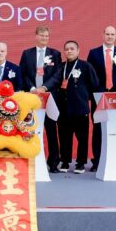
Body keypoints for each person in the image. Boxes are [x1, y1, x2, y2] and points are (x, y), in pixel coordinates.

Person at [86, 26, 116, 172]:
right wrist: (100, 92)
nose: (110, 36)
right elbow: (90, 75)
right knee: (98, 128)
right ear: (103, 35)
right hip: (99, 96)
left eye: (112, 34)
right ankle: (97, 161)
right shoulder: (94, 53)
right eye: (107, 34)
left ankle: (115, 159)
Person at [19, 26, 63, 173]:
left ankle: (53, 162)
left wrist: (44, 87)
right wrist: (32, 88)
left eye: (46, 36)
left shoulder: (55, 54)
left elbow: (58, 74)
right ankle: (27, 159)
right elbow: (23, 73)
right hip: (31, 97)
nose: (44, 38)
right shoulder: (27, 54)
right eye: (42, 35)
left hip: (48, 97)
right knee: (29, 128)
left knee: (51, 130)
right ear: (36, 36)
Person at [54, 41, 99, 174]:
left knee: (82, 137)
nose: (69, 51)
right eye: (67, 49)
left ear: (78, 51)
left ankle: (81, 163)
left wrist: (84, 97)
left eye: (72, 49)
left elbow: (95, 84)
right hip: (63, 108)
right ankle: (65, 161)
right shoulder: (61, 66)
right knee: (64, 136)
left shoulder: (86, 66)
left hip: (80, 108)